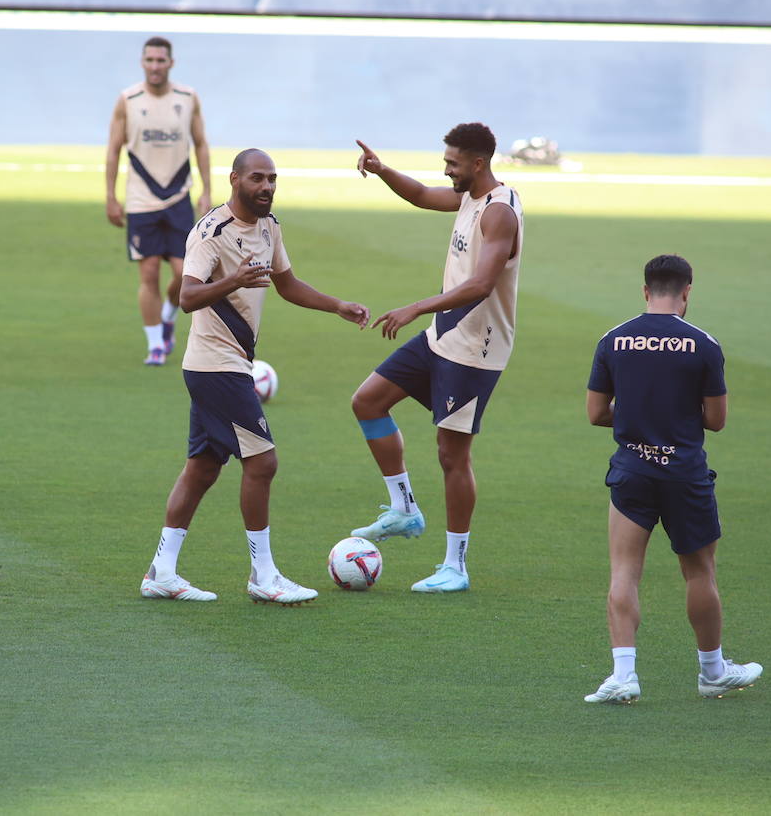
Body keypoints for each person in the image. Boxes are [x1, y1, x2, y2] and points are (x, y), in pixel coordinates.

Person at [139, 149, 369, 604]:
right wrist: (235, 281)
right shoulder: (211, 232)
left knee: (203, 468)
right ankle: (263, 576)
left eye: (273, 180)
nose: (266, 187)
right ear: (235, 180)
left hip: (230, 364)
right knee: (262, 463)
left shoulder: (270, 227)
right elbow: (187, 297)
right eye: (258, 179)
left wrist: (337, 305)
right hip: (214, 365)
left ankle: (161, 571)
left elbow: (288, 285)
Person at [347, 124, 524, 593]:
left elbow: (482, 285)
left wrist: (416, 306)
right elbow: (424, 195)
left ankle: (455, 566)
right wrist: (383, 170)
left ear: (479, 163)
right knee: (368, 402)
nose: (446, 170)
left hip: (474, 350)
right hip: (443, 336)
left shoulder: (499, 212)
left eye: (454, 163)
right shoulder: (469, 197)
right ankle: (403, 509)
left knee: (452, 455)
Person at [583, 255, 762, 703]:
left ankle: (624, 675)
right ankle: (712, 671)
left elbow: (595, 413)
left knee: (624, 572)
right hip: (684, 473)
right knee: (699, 573)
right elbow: (716, 421)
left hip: (632, 470)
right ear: (687, 291)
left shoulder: (613, 340)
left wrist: (637, 415)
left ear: (645, 291)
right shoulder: (703, 344)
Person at [105, 36, 212, 366]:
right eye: (149, 60)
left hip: (178, 197)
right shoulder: (128, 100)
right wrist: (110, 196)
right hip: (140, 200)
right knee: (148, 273)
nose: (155, 66)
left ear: (171, 63)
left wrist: (207, 190)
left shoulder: (188, 98)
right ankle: (155, 345)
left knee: (184, 274)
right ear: (142, 63)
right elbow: (113, 150)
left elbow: (201, 145)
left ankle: (168, 315)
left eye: (160, 60)